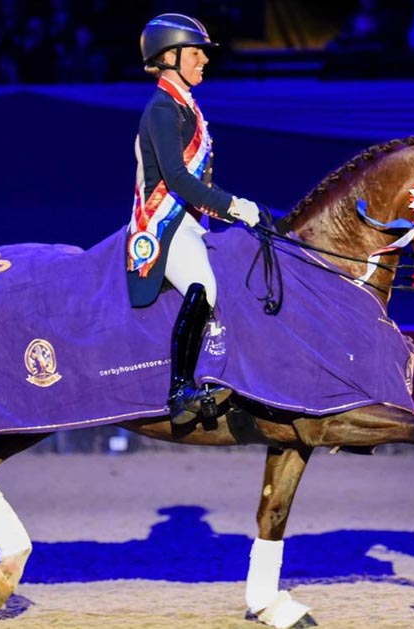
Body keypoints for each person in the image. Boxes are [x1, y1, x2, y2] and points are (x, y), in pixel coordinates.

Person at [127, 13, 261, 427]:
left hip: (192, 224)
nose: (204, 59)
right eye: (196, 52)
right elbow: (179, 179)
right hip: (164, 226)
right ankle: (180, 390)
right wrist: (232, 206)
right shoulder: (163, 110)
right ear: (170, 57)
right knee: (204, 287)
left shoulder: (186, 107)